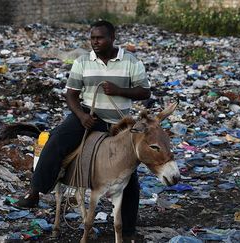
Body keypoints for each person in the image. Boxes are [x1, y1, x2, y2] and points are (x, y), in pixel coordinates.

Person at [16, 20, 151, 236]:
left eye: (100, 38)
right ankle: (34, 192)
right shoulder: (83, 62)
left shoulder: (130, 61)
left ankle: (128, 230)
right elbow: (71, 95)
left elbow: (145, 92)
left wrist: (119, 90)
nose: (95, 42)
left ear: (112, 38)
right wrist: (81, 116)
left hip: (120, 123)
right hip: (89, 116)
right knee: (56, 140)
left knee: (129, 173)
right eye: (92, 38)